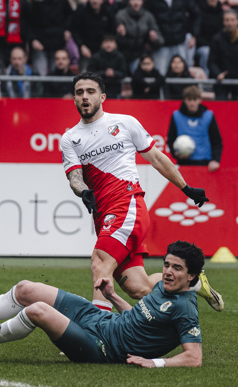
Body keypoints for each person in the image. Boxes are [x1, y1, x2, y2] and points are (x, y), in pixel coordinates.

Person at [59, 72, 222, 312]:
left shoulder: (125, 123)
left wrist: (186, 188)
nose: (85, 97)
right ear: (74, 99)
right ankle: (195, 283)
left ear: (102, 96)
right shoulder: (69, 138)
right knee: (140, 288)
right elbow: (74, 177)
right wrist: (83, 191)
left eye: (91, 92)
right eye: (80, 92)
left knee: (100, 263)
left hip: (127, 205)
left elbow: (156, 158)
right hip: (104, 215)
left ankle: (96, 334)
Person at [0, 241, 208, 367]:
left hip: (102, 348)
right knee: (26, 289)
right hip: (102, 321)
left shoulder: (185, 308)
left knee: (37, 312)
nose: (169, 272)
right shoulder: (162, 286)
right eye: (167, 265)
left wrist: (155, 364)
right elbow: (141, 317)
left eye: (177, 268)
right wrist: (113, 297)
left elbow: (194, 358)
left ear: (192, 276)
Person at [146, 0, 199, 75]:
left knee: (183, 74)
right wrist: (150, 32)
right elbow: (146, 16)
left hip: (179, 41)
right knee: (160, 73)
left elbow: (196, 14)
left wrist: (194, 35)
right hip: (161, 43)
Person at [167, 86, 223, 171]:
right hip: (184, 162)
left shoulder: (209, 115)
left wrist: (215, 160)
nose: (192, 103)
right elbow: (170, 139)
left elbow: (217, 141)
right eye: (189, 100)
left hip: (204, 163)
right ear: (184, 100)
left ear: (200, 100)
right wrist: (176, 154)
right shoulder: (176, 115)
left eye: (195, 99)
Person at [69, 0, 115, 72]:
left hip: (103, 52)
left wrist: (106, 45)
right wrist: (81, 46)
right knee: (85, 76)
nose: (95, 0)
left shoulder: (108, 14)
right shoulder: (80, 13)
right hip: (85, 51)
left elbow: (111, 32)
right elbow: (75, 31)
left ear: (102, 0)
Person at [115, 0, 161, 73]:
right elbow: (113, 39)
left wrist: (154, 39)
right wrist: (120, 35)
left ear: (142, 1)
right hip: (121, 54)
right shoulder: (120, 15)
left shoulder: (148, 16)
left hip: (139, 55)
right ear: (129, 1)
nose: (136, 2)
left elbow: (160, 40)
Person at [194, 0, 223, 75]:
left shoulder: (223, 13)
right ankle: (206, 79)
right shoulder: (199, 12)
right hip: (202, 46)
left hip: (218, 46)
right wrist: (211, 45)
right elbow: (197, 33)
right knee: (206, 52)